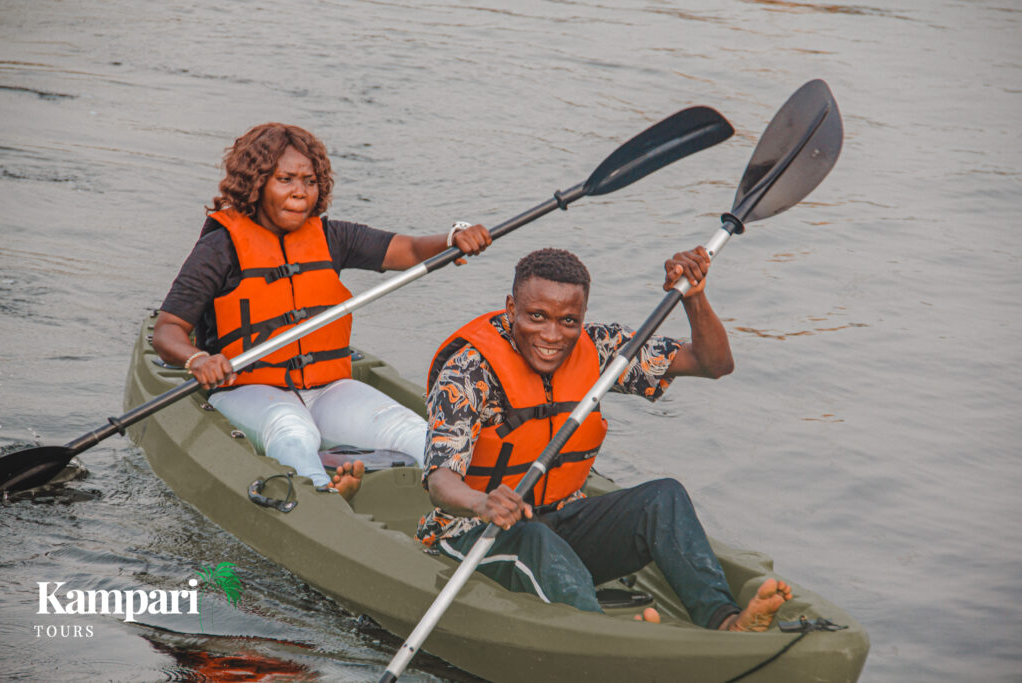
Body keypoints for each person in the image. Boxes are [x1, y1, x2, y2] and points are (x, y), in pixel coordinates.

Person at [417, 247, 791, 631]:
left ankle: (724, 620)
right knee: (533, 539)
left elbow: (714, 363)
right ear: (511, 308)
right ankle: (609, 639)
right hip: (473, 535)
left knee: (663, 497)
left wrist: (693, 298)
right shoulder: (467, 372)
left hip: (561, 521)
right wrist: (483, 502)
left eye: (568, 321)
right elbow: (440, 481)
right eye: (536, 317)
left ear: (582, 319)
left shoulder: (599, 349)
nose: (552, 334)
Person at [152, 122, 491, 498]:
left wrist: (452, 238)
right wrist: (198, 359)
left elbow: (410, 250)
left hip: (327, 389)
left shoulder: (332, 238)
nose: (300, 193)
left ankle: (469, 501)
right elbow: (167, 330)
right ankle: (323, 496)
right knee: (293, 430)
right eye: (285, 180)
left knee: (411, 429)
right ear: (256, 183)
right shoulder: (220, 248)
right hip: (248, 388)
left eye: (310, 182)